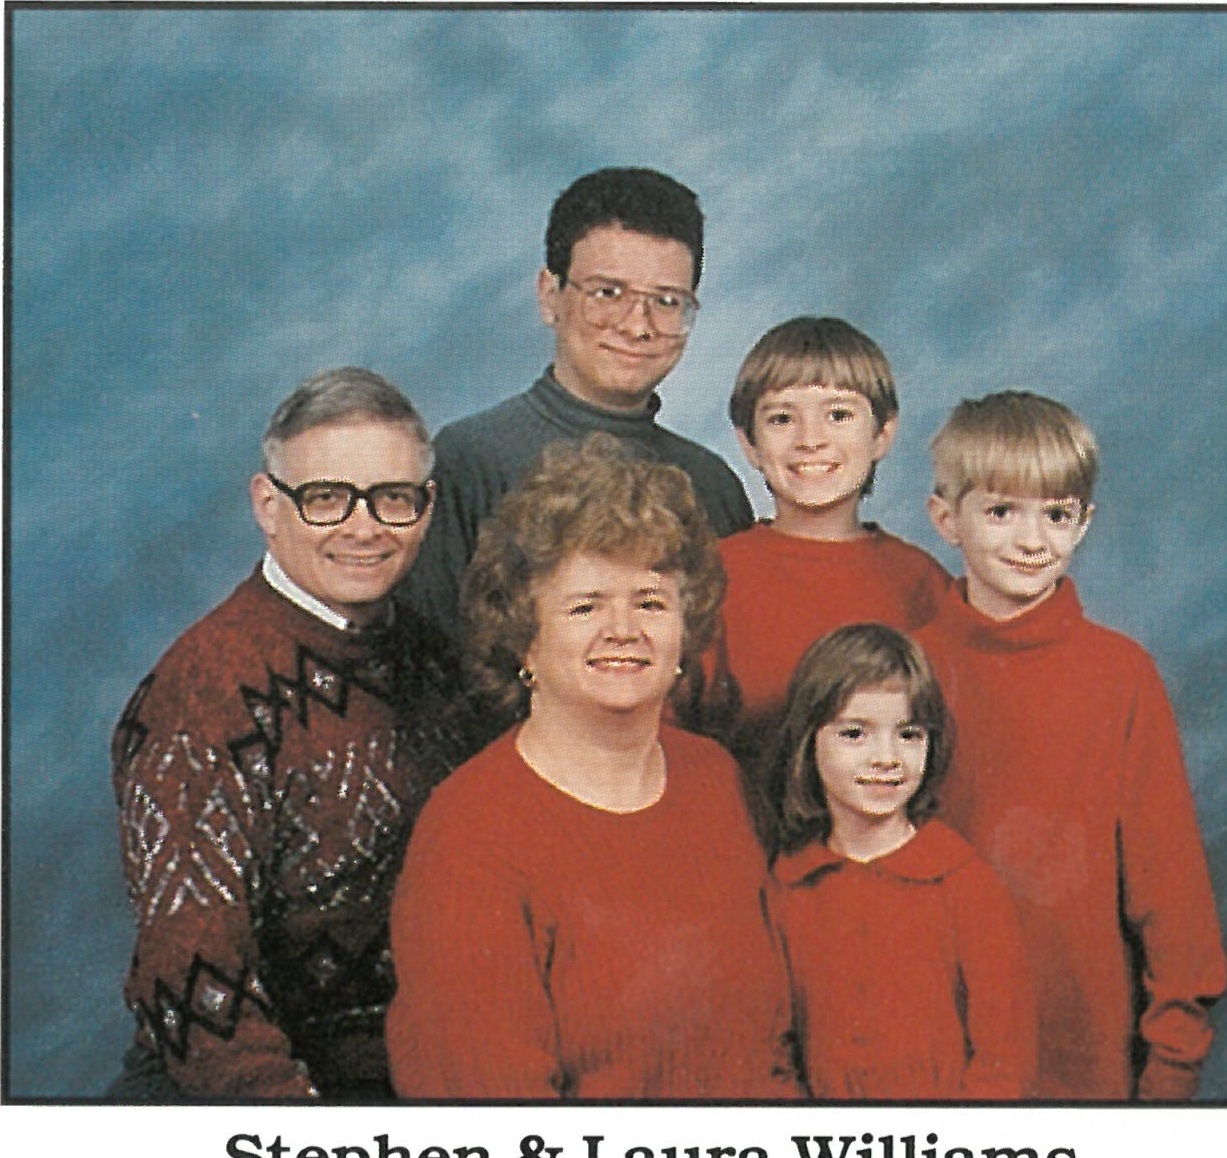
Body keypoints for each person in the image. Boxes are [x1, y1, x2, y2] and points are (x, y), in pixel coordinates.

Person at [386, 434, 797, 1099]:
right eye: (585, 605)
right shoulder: (469, 836)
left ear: (685, 629)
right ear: (524, 637)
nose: (623, 630)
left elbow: (772, 1049)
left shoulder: (715, 779)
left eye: (651, 602)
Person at [109, 368, 475, 1099]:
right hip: (259, 1098)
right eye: (326, 497)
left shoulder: (436, 660)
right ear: (268, 505)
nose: (364, 528)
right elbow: (193, 992)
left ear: (427, 507)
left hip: (413, 1072)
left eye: (392, 497)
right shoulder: (205, 694)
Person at [917, 390, 1227, 1100]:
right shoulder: (907, 670)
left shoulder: (1120, 675)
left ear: (1083, 522)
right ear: (946, 519)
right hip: (931, 1044)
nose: (1032, 540)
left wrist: (1173, 1062)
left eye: (1056, 515)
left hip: (1082, 1046)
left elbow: (1170, 885)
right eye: (1001, 511)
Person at [399, 167, 754, 646]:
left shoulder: (713, 485)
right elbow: (428, 659)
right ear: (550, 296)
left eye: (667, 301)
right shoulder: (470, 461)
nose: (638, 326)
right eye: (608, 293)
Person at [765, 624, 1035, 1100]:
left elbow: (1003, 1060)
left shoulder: (965, 884)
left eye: (909, 734)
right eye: (855, 734)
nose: (887, 758)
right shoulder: (789, 885)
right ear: (809, 742)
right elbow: (774, 1050)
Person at [686, 317, 948, 768]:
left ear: (882, 434)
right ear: (749, 443)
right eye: (782, 419)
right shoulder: (714, 577)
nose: (810, 440)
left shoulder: (920, 582)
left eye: (839, 415)